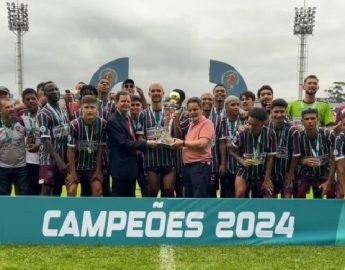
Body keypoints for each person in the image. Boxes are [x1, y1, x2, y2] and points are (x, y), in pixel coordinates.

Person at [107, 90, 157, 197]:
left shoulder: (126, 117)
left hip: (130, 167)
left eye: (128, 101)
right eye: (123, 101)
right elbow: (124, 143)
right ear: (116, 103)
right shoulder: (113, 121)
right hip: (120, 168)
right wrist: (146, 144)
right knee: (118, 198)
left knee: (130, 197)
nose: (126, 104)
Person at [137, 83, 176, 197]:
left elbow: (177, 134)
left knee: (169, 190)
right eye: (153, 91)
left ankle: (169, 214)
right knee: (153, 191)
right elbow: (139, 137)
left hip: (168, 158)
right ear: (149, 94)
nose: (156, 93)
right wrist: (148, 143)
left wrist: (174, 124)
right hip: (151, 160)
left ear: (163, 93)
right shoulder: (142, 115)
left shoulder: (170, 112)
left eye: (158, 91)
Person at [172, 97, 214, 198]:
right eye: (190, 110)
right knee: (190, 199)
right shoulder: (191, 124)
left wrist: (182, 143)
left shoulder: (206, 123)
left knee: (198, 200)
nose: (192, 112)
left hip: (200, 167)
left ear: (201, 110)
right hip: (189, 167)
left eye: (195, 109)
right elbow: (190, 144)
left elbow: (202, 143)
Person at [231, 108, 277, 198]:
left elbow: (270, 158)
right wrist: (241, 160)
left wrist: (267, 179)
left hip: (262, 171)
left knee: (268, 193)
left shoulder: (271, 134)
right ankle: (240, 211)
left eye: (254, 125)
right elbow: (231, 151)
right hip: (244, 170)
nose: (250, 127)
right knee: (240, 192)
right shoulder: (242, 132)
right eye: (249, 123)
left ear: (263, 123)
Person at [66, 95, 106, 197]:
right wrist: (72, 173)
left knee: (97, 190)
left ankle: (94, 212)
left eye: (92, 107)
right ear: (81, 109)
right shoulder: (74, 124)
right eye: (86, 107)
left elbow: (101, 149)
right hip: (77, 166)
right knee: (71, 190)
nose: (89, 110)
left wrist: (98, 171)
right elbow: (70, 150)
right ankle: (72, 212)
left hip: (92, 167)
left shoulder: (102, 123)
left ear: (97, 109)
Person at [38, 82, 69, 196]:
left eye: (56, 89)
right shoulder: (44, 113)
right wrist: (58, 160)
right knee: (46, 190)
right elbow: (45, 138)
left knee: (58, 190)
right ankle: (40, 213)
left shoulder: (62, 110)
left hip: (62, 157)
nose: (55, 91)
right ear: (45, 94)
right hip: (49, 159)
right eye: (51, 90)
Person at [296, 108, 335, 198]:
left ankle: (330, 212)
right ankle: (301, 212)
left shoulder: (327, 134)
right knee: (300, 193)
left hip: (325, 172)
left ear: (317, 120)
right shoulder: (298, 136)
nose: (310, 121)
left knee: (331, 193)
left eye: (313, 118)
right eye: (306, 119)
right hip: (306, 173)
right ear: (302, 121)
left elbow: (334, 158)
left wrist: (330, 179)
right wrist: (303, 161)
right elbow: (293, 158)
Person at [269, 99, 300, 198]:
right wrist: (266, 176)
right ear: (271, 112)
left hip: (286, 172)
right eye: (276, 112)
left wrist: (291, 173)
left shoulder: (292, 130)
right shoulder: (265, 129)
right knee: (269, 198)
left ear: (286, 112)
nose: (279, 115)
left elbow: (296, 154)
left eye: (282, 112)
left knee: (286, 197)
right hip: (270, 173)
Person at [0, 99, 29, 195]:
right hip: (2, 167)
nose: (11, 109)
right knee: (3, 196)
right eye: (7, 107)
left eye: (12, 106)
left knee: (23, 194)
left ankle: (23, 210)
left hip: (21, 166)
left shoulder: (21, 122)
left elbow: (30, 138)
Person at [19, 88, 42, 195]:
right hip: (29, 161)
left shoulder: (45, 114)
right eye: (27, 99)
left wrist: (39, 146)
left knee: (44, 189)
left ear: (37, 99)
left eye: (33, 98)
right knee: (32, 190)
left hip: (44, 160)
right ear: (23, 102)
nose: (31, 101)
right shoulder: (21, 116)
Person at [222, 95, 246, 198]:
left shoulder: (245, 120)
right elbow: (221, 142)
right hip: (228, 164)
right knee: (228, 193)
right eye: (233, 105)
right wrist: (223, 163)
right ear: (226, 107)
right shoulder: (221, 121)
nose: (236, 107)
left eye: (237, 105)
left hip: (243, 164)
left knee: (242, 193)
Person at [130, 95, 148, 197]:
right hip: (130, 158)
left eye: (138, 105)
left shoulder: (145, 120)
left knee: (145, 187)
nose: (135, 107)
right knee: (130, 187)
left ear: (141, 107)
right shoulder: (125, 120)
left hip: (144, 158)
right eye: (133, 105)